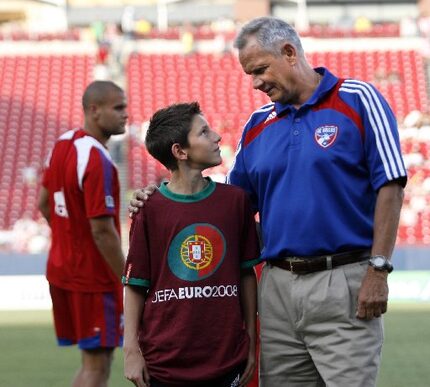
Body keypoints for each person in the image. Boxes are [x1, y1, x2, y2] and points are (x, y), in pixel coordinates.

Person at [129, 17, 407, 387]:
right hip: (276, 286)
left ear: (289, 53)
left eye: (260, 69)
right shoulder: (257, 124)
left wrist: (378, 269)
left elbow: (391, 185)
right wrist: (162, 196)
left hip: (343, 282)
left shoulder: (358, 99)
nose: (256, 82)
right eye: (249, 74)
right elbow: (231, 206)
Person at [122, 102, 260, 387]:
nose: (217, 137)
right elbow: (136, 285)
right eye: (204, 132)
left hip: (225, 358)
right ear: (180, 151)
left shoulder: (235, 201)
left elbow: (246, 274)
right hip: (164, 362)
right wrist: (131, 350)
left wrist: (250, 339)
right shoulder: (149, 208)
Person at [38, 80, 128, 387]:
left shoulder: (62, 144)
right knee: (97, 366)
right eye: (118, 108)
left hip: (61, 269)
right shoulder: (96, 159)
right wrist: (126, 280)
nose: (125, 115)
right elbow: (102, 231)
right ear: (94, 110)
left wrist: (68, 238)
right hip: (93, 278)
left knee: (94, 362)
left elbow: (44, 203)